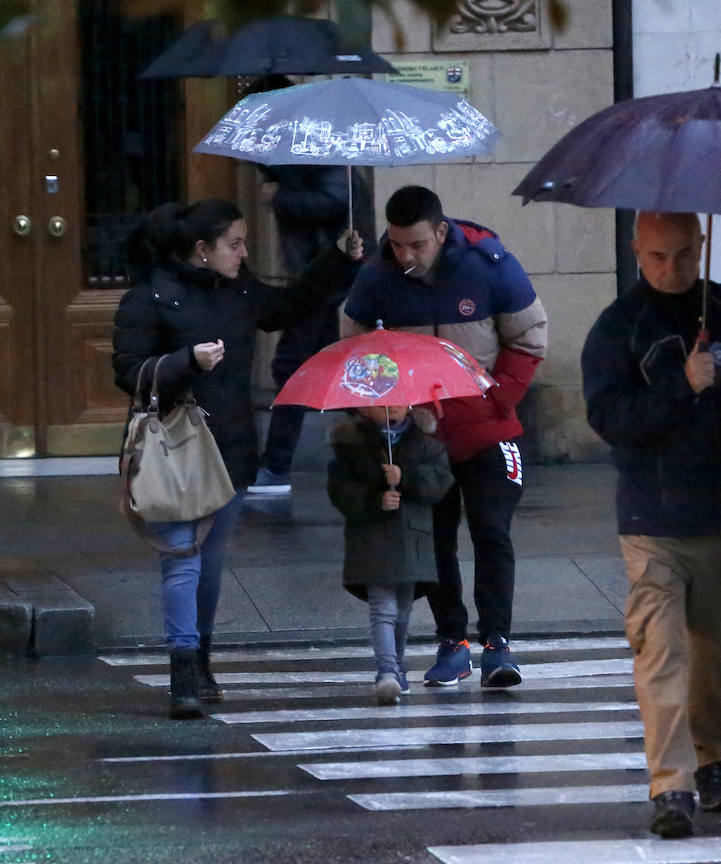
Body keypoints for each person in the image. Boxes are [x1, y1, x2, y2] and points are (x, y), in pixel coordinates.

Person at [112, 198, 363, 719]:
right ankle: (183, 670)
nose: (243, 252)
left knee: (211, 564)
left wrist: (338, 259)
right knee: (181, 558)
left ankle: (200, 658)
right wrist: (185, 361)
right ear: (202, 250)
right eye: (234, 243)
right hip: (177, 448)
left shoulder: (241, 292)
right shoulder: (151, 297)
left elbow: (289, 306)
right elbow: (128, 372)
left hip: (231, 447)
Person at [581, 212, 721, 839]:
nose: (670, 268)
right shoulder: (617, 327)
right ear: (636, 250)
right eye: (657, 256)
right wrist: (682, 387)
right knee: (660, 651)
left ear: (702, 246)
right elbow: (608, 416)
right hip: (651, 520)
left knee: (718, 655)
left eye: (684, 254)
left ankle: (710, 758)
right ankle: (671, 784)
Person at [340, 185, 548, 689]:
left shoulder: (490, 265)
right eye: (396, 245)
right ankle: (451, 643)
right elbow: (353, 351)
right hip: (421, 441)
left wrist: (496, 398)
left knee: (491, 531)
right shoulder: (376, 279)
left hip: (489, 434)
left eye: (416, 245)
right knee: (435, 544)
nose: (405, 256)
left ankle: (497, 643)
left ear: (439, 232)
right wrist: (382, 412)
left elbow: (530, 335)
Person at [247, 74, 377, 495]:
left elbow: (336, 199)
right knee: (315, 368)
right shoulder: (297, 147)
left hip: (332, 278)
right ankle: (280, 466)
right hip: (322, 277)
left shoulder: (320, 143)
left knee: (301, 367)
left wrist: (279, 197)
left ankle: (277, 467)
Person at [327, 404, 454, 705]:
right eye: (381, 404)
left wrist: (404, 476)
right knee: (382, 607)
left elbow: (439, 481)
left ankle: (397, 665)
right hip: (372, 536)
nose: (391, 409)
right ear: (363, 408)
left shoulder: (425, 443)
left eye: (398, 401)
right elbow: (340, 490)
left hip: (412, 537)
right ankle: (387, 671)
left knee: (403, 608)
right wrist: (375, 500)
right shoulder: (351, 445)